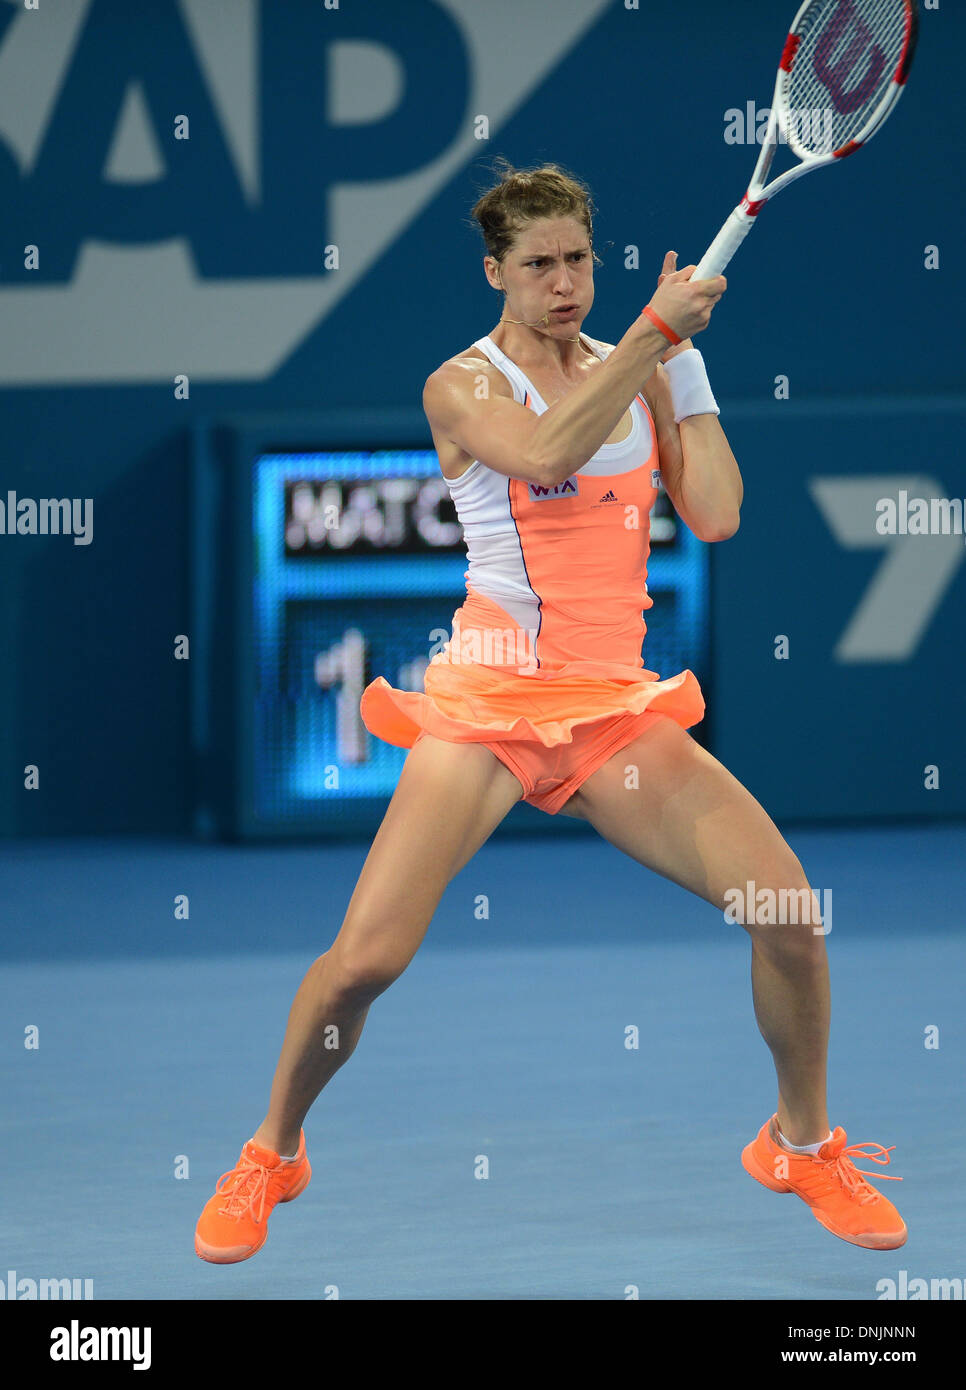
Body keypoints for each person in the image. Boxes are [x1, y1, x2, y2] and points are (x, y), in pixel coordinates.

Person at [194, 161, 905, 1266]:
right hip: (485, 709)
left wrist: (689, 373)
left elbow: (713, 513)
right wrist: (645, 344)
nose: (565, 282)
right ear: (497, 273)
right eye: (539, 265)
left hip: (614, 711)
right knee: (363, 964)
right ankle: (273, 1151)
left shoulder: (648, 371)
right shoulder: (460, 387)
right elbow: (546, 453)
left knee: (790, 913)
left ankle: (800, 1141)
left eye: (579, 258)